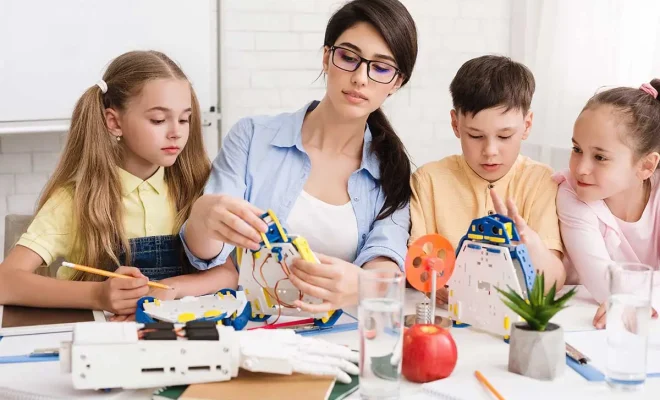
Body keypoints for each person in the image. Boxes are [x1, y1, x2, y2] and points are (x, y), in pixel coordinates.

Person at [181, 0, 418, 313]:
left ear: (397, 82)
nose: (361, 78)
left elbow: (385, 257)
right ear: (326, 57)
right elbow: (209, 256)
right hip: (251, 331)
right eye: (348, 57)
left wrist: (363, 285)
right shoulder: (251, 137)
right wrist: (201, 219)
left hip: (338, 338)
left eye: (381, 68)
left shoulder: (392, 169)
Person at [0, 51, 236, 319]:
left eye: (184, 119)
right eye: (158, 120)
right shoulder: (75, 199)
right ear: (114, 122)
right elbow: (5, 282)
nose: (176, 132)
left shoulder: (195, 191)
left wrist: (173, 288)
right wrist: (98, 294)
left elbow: (227, 274)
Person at [410, 55, 566, 303]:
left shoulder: (540, 180)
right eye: (475, 135)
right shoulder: (428, 181)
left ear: (527, 125)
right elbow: (415, 263)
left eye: (505, 136)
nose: (490, 151)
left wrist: (531, 245)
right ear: (455, 124)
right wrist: (430, 282)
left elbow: (554, 280)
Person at [554, 80, 660, 329]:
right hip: (580, 322)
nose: (581, 168)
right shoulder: (572, 194)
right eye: (576, 149)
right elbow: (605, 285)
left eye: (600, 157)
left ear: (645, 166)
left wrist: (644, 300)